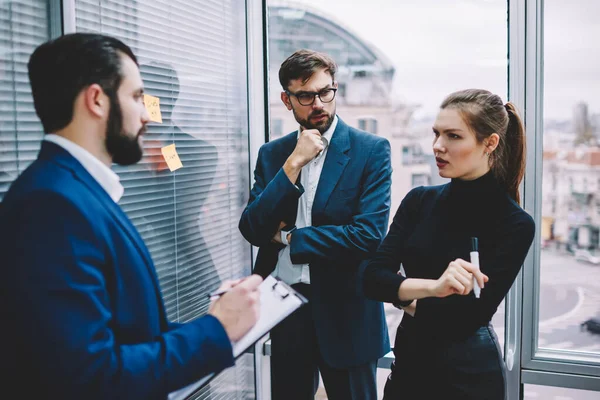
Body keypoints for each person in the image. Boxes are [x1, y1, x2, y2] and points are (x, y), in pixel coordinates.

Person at [0, 33, 262, 400]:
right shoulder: (51, 205)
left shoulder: (77, 191)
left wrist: (213, 325)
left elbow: (127, 333)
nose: (145, 113)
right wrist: (217, 329)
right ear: (96, 100)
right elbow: (91, 375)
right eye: (138, 97)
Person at [363, 89, 536, 399]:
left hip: (469, 377)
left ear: (490, 143)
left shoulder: (515, 224)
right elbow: (371, 279)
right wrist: (435, 287)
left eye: (453, 136)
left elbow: (464, 320)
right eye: (436, 134)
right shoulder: (419, 201)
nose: (437, 146)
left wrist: (400, 293)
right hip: (408, 369)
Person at [239, 49, 392, 400]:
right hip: (287, 309)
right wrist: (292, 164)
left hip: (347, 314)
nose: (319, 103)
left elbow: (367, 236)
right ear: (287, 100)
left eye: (326, 92)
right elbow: (252, 228)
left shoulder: (371, 150)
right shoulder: (273, 154)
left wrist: (290, 238)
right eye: (306, 96)